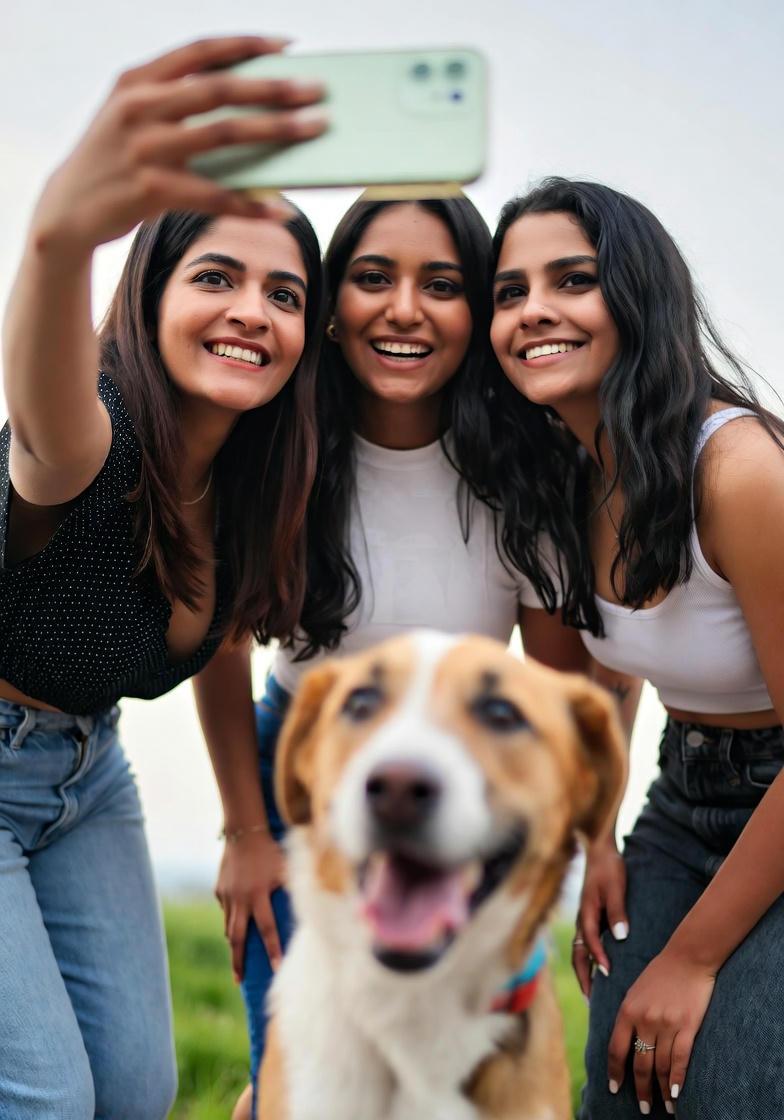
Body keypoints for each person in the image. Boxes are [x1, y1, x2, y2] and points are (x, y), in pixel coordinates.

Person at [194, 191, 607, 1119]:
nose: (405, 309)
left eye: (444, 285)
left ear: (479, 316)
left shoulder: (527, 480)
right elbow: (220, 645)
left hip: (461, 778)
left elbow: (549, 690)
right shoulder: (280, 454)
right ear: (332, 309)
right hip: (300, 769)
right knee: (307, 1078)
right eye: (374, 279)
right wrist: (246, 831)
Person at [0, 36, 327, 1120]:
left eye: (283, 294)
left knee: (137, 1094)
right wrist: (61, 230)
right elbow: (41, 418)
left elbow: (223, 635)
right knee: (47, 1097)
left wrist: (245, 829)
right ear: (152, 291)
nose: (251, 310)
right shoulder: (88, 439)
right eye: (217, 277)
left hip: (88, 775)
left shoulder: (246, 481)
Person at [476, 176, 784, 1118]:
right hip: (683, 796)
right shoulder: (558, 486)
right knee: (624, 1089)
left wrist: (691, 958)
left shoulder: (738, 474)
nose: (534, 311)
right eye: (509, 292)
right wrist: (596, 834)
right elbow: (597, 683)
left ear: (636, 299)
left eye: (572, 280)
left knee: (729, 1093)